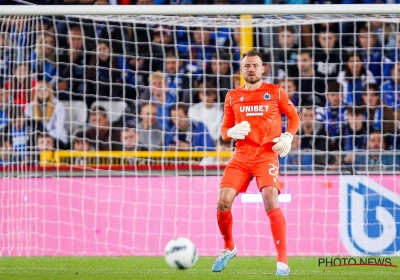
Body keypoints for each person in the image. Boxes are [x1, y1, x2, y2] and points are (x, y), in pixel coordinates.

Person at [212, 50, 300, 276]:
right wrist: (230, 131)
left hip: (266, 155)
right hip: (241, 157)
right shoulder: (232, 96)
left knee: (270, 197)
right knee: (223, 201)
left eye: (255, 65)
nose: (251, 69)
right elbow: (224, 131)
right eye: (247, 66)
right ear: (241, 71)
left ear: (263, 69)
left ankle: (282, 261)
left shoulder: (275, 92)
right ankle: (229, 247)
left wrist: (288, 136)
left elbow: (294, 118)